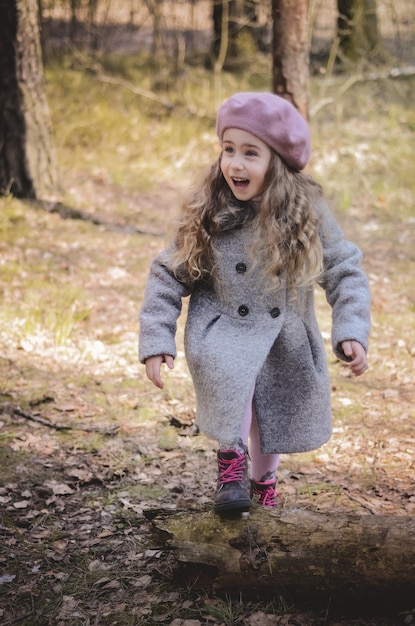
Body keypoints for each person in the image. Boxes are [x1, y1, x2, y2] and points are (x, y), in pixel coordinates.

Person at [139, 92, 370, 514]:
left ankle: (264, 483)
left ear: (277, 162)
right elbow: (168, 273)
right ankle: (231, 464)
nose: (235, 164)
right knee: (236, 378)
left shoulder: (307, 213)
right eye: (228, 150)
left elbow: (345, 271)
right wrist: (157, 338)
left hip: (285, 334)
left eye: (250, 153)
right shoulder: (209, 210)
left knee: (269, 410)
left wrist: (351, 330)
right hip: (222, 326)